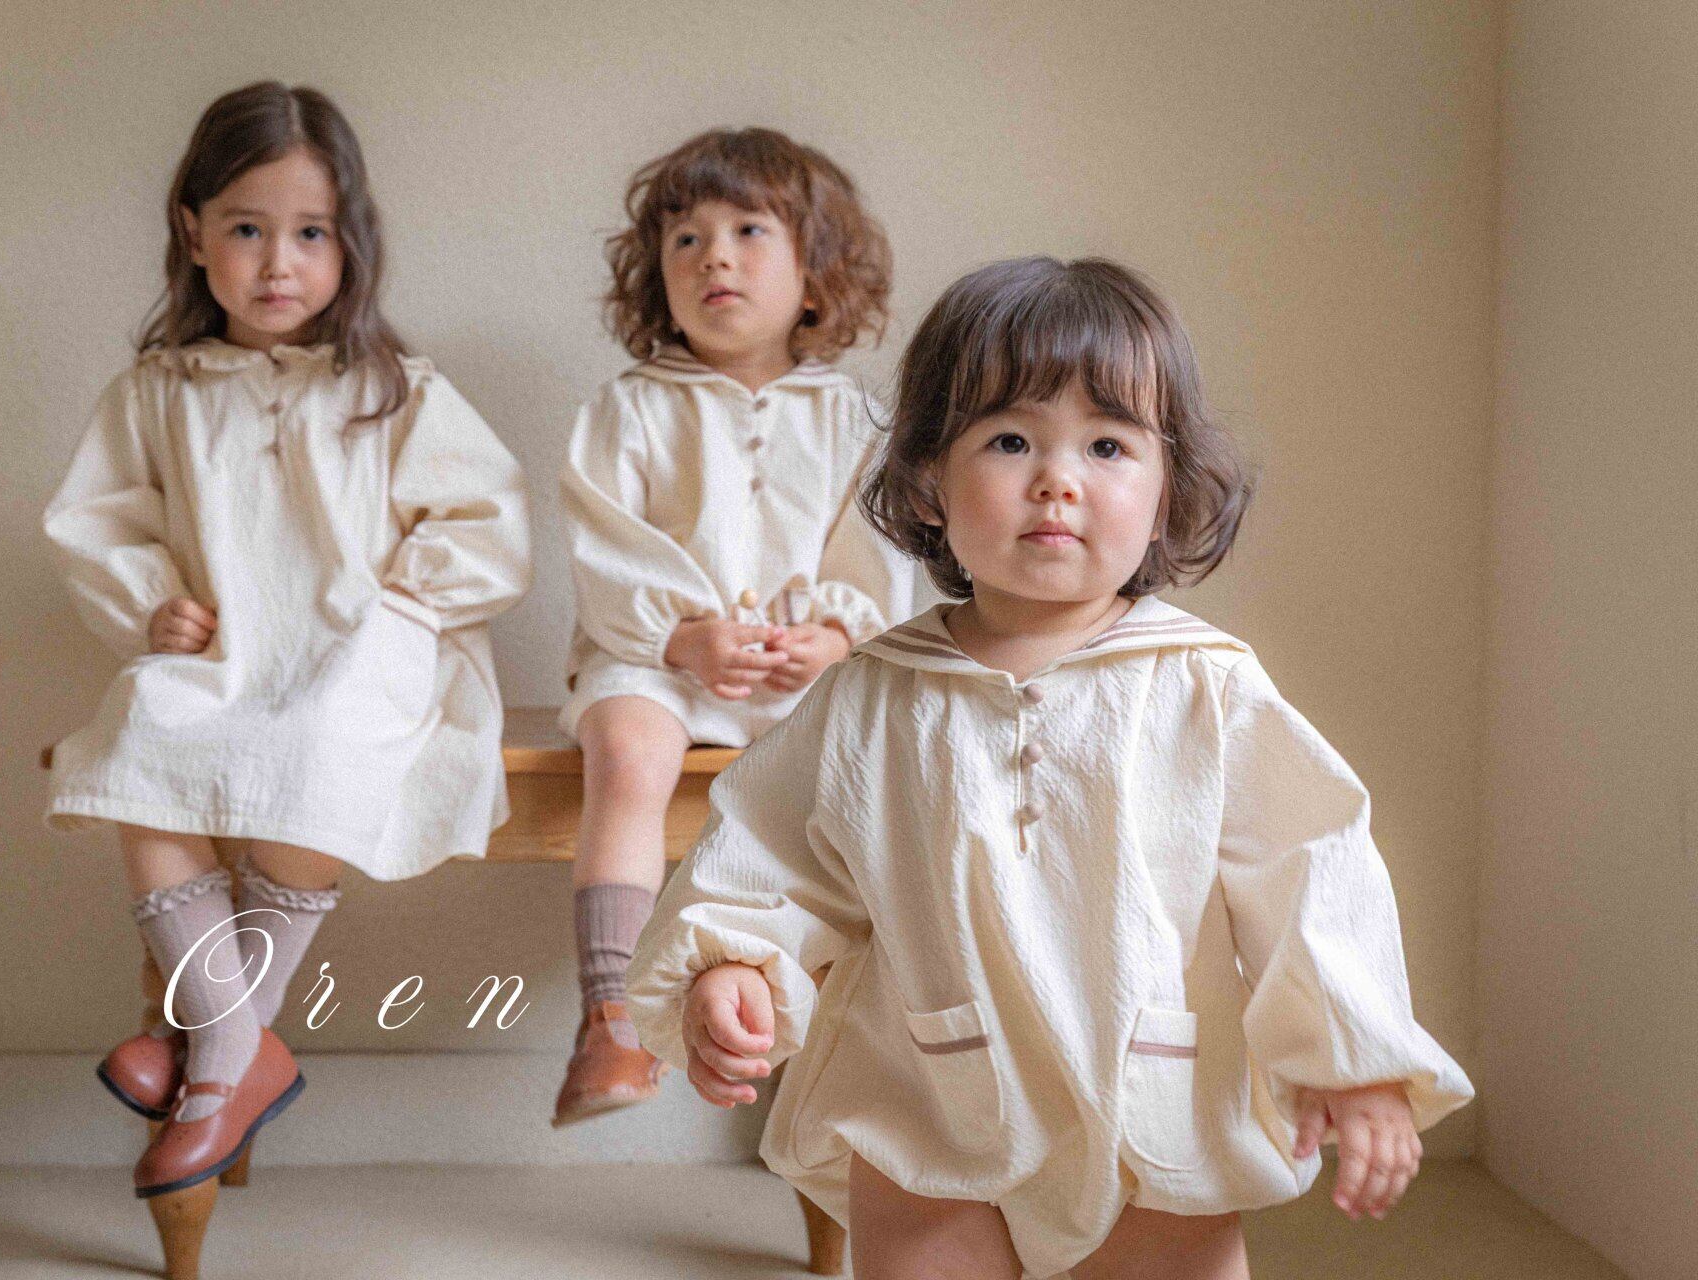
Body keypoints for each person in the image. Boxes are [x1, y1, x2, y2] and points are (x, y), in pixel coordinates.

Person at [628, 256, 1472, 1277]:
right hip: (929, 1100)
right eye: (1010, 439)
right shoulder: (872, 696)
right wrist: (730, 962)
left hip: (1153, 1106)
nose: (1057, 479)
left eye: (1108, 445)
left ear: (1165, 491)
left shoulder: (1202, 686)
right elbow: (767, 854)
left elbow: (1313, 871)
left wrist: (1357, 1059)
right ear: (929, 480)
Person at [43, 81, 530, 1197]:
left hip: (365, 659)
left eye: (311, 233)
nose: (279, 263)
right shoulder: (159, 392)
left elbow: (488, 521)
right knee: (139, 741)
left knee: (324, 746)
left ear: (351, 243)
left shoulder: (395, 390)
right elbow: (96, 520)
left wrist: (406, 601)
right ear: (192, 233)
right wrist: (150, 601)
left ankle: (203, 1048)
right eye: (247, 229)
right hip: (225, 657)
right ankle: (235, 1045)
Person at [552, 127, 913, 1127]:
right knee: (629, 748)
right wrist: (682, 636)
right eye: (686, 239)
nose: (714, 256)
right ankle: (613, 1017)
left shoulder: (854, 420)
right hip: (655, 662)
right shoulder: (629, 409)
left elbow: (874, 553)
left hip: (802, 669)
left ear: (815, 270)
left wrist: (836, 634)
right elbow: (605, 547)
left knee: (859, 777)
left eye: (749, 231)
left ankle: (822, 1042)